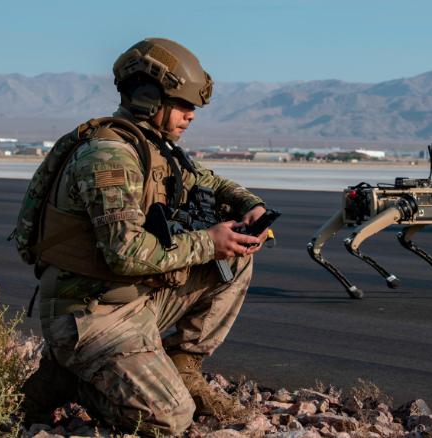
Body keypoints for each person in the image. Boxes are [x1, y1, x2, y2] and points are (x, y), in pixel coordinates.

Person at [20, 38, 268, 436]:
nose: (191, 116)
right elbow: (124, 253)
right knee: (169, 420)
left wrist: (248, 205)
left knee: (236, 255)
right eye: (184, 106)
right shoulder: (109, 156)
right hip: (89, 314)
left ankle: (183, 365)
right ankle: (75, 382)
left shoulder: (153, 149)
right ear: (150, 98)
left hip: (134, 299)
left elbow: (209, 180)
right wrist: (208, 241)